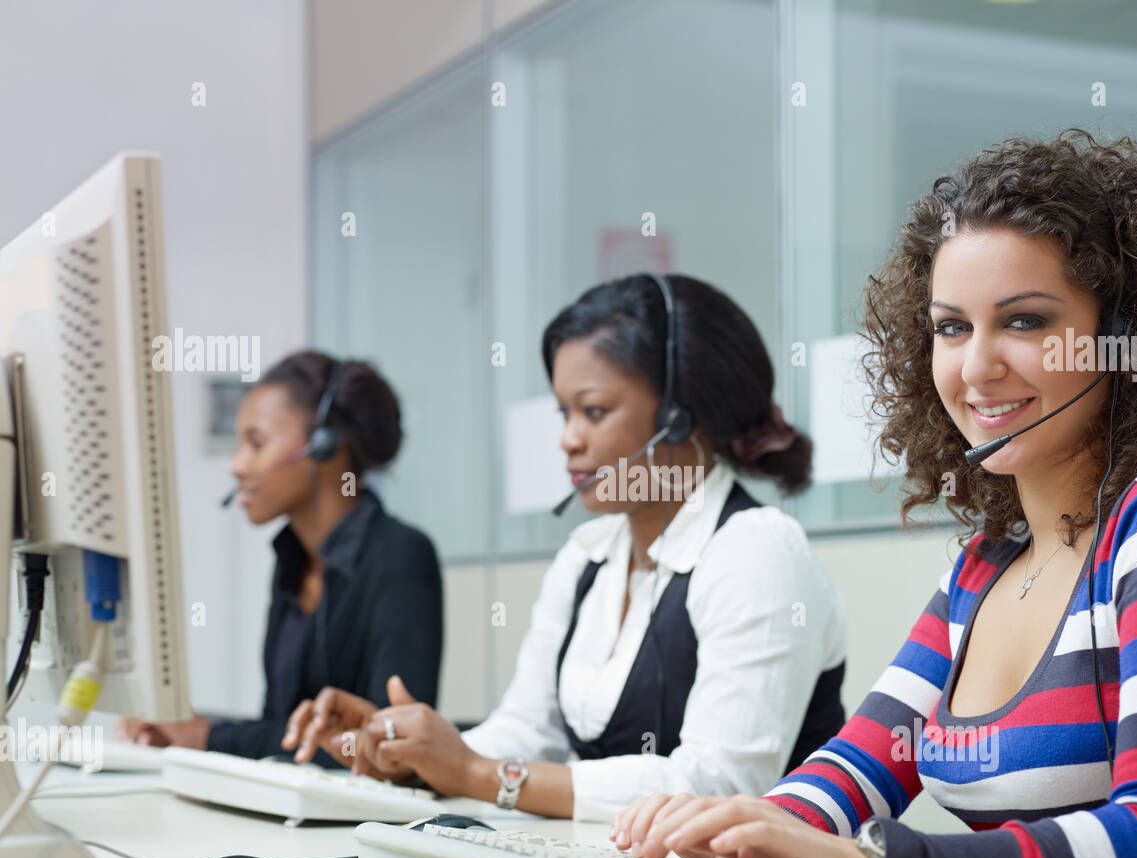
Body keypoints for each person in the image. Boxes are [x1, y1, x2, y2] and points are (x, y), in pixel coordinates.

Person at [611, 128, 1137, 858]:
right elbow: (856, 768)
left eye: (1025, 320)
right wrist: (731, 831)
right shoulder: (985, 568)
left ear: (1125, 337)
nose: (975, 368)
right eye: (950, 328)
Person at [283, 274, 848, 819]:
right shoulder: (587, 556)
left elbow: (718, 785)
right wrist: (413, 752)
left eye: (594, 411)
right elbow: (528, 733)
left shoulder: (755, 553)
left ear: (680, 419)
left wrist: (480, 776)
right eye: (564, 412)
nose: (568, 439)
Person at [120, 350, 443, 764]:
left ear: (325, 446)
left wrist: (210, 737)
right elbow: (283, 725)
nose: (237, 465)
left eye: (256, 442)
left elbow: (396, 749)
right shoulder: (292, 560)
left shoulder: (400, 555)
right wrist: (183, 729)